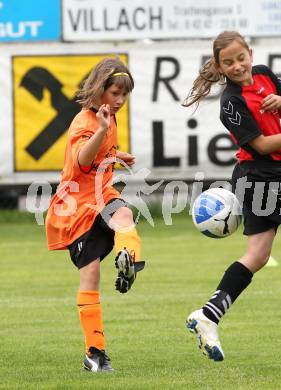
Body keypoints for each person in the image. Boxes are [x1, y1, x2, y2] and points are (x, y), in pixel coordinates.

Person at [182, 31, 281, 362]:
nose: (237, 66)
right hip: (257, 178)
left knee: (263, 252)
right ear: (220, 67)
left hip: (272, 176)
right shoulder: (231, 103)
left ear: (250, 53)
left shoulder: (265, 73)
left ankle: (213, 314)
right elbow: (263, 145)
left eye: (241, 58)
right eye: (229, 62)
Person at [45, 57, 145, 372]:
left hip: (102, 196)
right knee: (90, 275)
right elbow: (84, 161)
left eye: (124, 95)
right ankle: (94, 353)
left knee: (125, 215)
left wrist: (116, 155)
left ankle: (128, 261)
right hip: (76, 208)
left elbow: (100, 155)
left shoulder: (107, 119)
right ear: (100, 89)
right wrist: (102, 132)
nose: (119, 101)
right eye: (114, 93)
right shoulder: (85, 122)